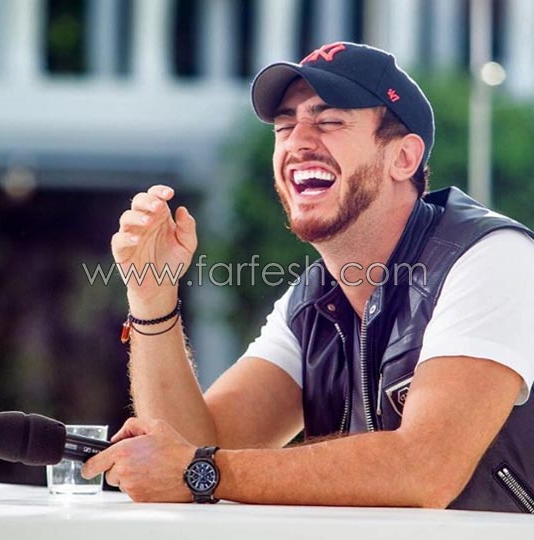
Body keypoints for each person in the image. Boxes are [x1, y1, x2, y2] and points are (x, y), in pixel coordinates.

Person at [82, 42, 534, 512]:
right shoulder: (312, 300)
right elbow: (190, 447)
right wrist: (152, 297)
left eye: (329, 121)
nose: (296, 142)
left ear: (403, 158)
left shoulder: (492, 257)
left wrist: (204, 472)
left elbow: (424, 469)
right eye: (284, 126)